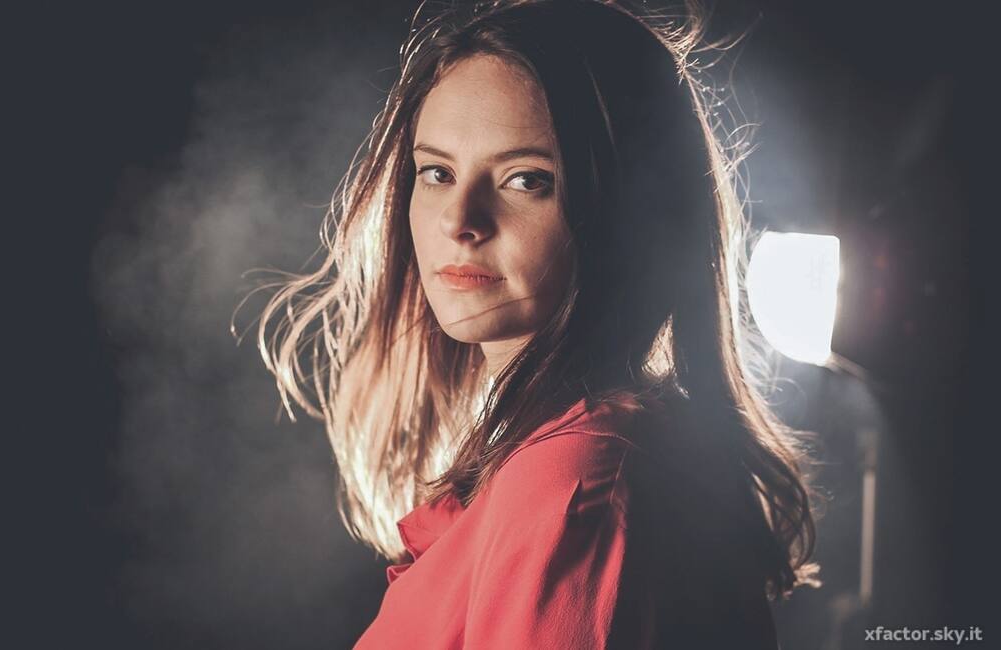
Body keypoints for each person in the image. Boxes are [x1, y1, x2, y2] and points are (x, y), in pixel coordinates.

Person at [248, 0, 822, 647]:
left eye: (526, 180)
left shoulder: (576, 482)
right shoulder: (584, 457)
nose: (458, 220)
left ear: (628, 211)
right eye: (437, 172)